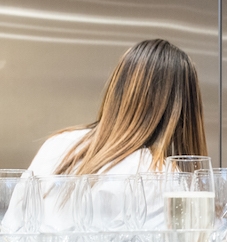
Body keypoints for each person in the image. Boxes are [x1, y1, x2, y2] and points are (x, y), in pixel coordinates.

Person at [28, 38, 208, 176]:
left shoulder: (58, 143)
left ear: (119, 89)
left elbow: (17, 212)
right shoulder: (160, 173)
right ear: (184, 110)